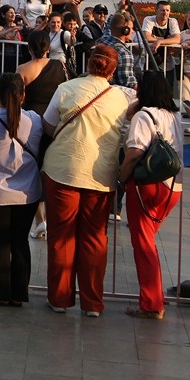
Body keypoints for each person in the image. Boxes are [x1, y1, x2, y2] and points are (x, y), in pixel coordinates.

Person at [40, 43, 129, 316]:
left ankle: (60, 299)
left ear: (89, 63)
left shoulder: (66, 88)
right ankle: (92, 302)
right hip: (100, 175)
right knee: (94, 238)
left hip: (62, 170)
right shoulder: (121, 98)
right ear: (113, 71)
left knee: (61, 237)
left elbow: (48, 124)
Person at [118, 72, 184, 320]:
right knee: (149, 242)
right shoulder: (174, 115)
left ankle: (151, 303)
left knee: (143, 245)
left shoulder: (143, 117)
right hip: (172, 187)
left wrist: (122, 176)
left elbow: (134, 152)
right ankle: (154, 297)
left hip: (148, 185)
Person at [0, 74, 43, 306]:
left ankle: (1, 292)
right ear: (23, 95)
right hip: (28, 193)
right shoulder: (34, 120)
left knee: (0, 241)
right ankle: (19, 292)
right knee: (20, 241)